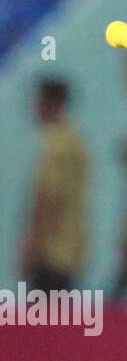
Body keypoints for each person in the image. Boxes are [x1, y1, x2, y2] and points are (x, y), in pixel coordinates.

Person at [19, 79, 88, 292]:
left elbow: (49, 198)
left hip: (51, 256)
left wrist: (32, 245)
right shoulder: (76, 143)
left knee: (45, 321)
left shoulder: (57, 146)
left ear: (52, 103)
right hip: (71, 252)